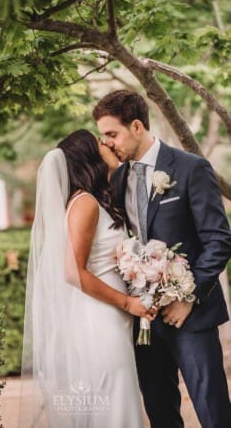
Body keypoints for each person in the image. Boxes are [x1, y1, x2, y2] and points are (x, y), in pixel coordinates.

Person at [93, 89, 231, 428]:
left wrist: (188, 298)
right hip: (143, 322)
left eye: (112, 134)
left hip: (191, 317)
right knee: (160, 412)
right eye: (103, 136)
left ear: (137, 126)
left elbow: (218, 240)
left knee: (212, 410)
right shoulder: (118, 177)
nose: (107, 143)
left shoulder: (190, 168)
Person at [19, 129, 156, 428]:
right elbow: (72, 272)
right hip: (101, 320)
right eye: (99, 141)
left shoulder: (97, 200)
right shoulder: (84, 204)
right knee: (117, 400)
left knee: (117, 398)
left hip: (113, 317)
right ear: (88, 155)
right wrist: (128, 302)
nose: (106, 143)